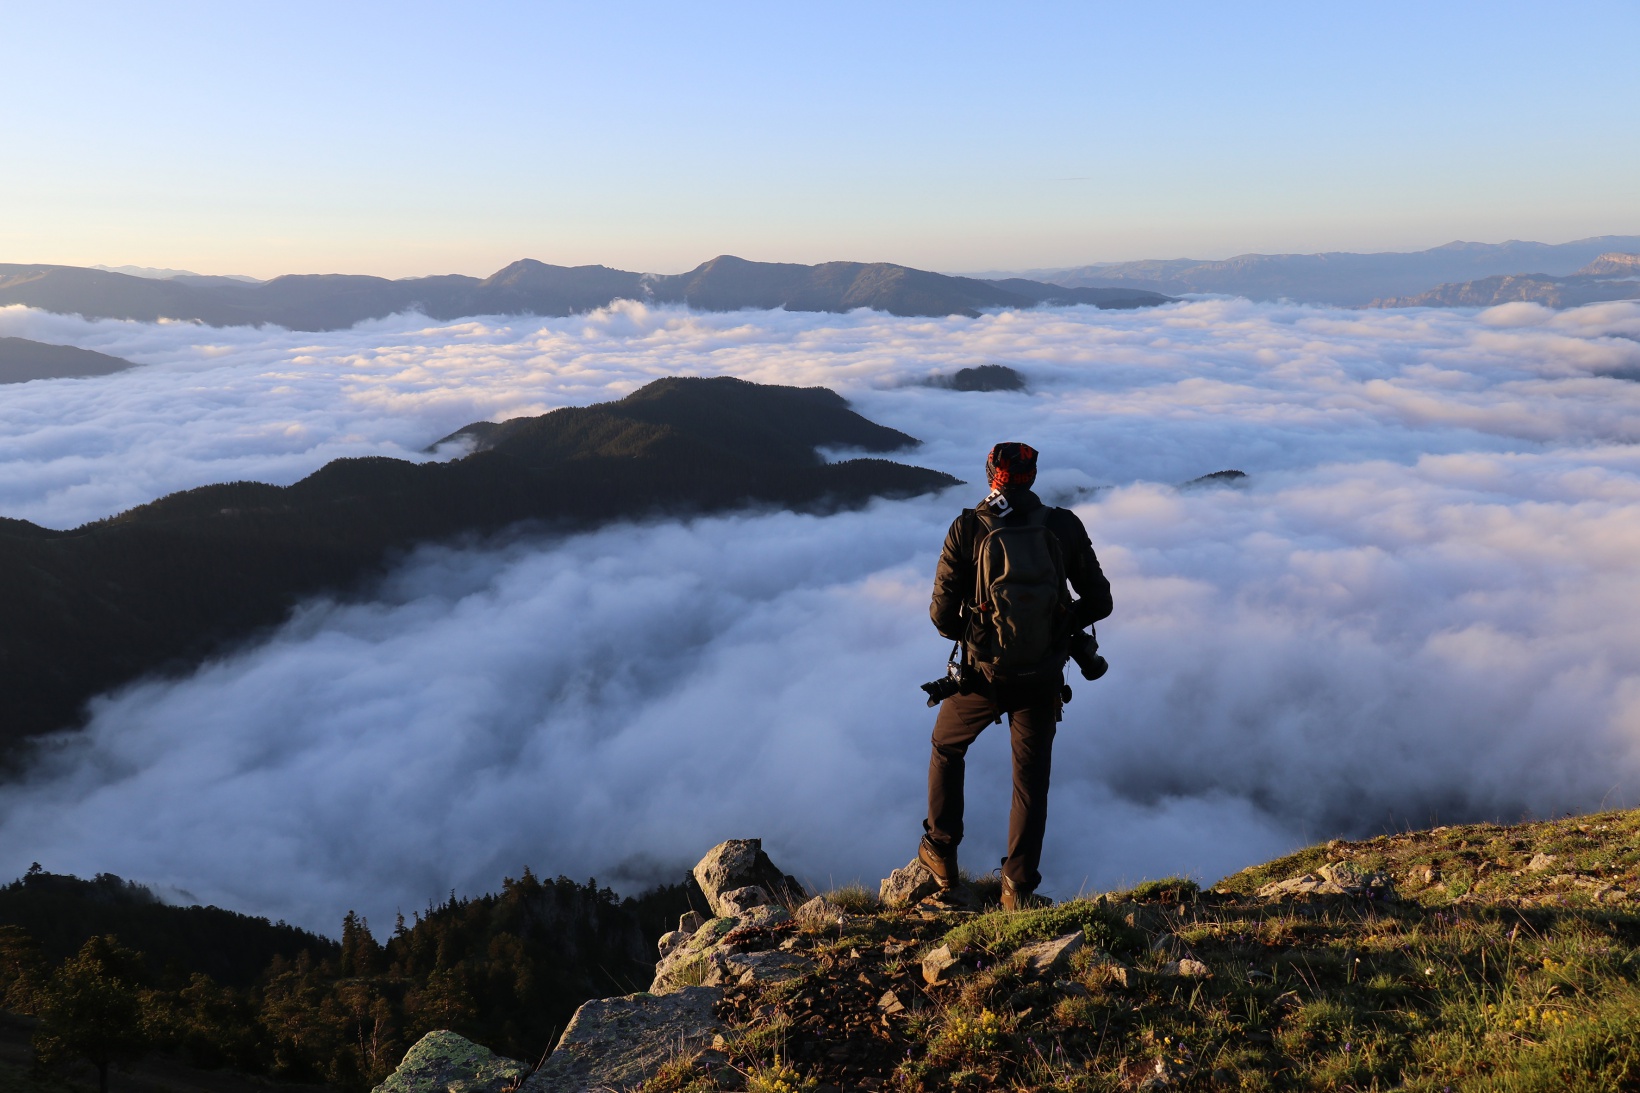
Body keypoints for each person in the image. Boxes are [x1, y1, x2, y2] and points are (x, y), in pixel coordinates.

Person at [919, 442, 1113, 910]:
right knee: (1030, 782)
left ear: (990, 473)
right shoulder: (1062, 526)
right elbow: (1100, 601)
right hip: (1042, 675)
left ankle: (940, 853)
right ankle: (1017, 888)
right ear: (1034, 475)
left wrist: (983, 631)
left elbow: (942, 618)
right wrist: (1057, 624)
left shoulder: (967, 529)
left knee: (947, 747)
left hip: (983, 676)